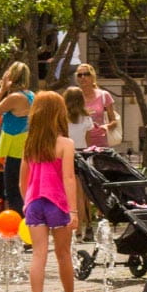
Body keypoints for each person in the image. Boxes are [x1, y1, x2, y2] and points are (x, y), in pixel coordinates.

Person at [20, 91, 87, 292]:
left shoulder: (30, 144)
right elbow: (68, 178)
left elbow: (23, 180)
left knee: (38, 254)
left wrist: (25, 203)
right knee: (63, 254)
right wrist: (74, 211)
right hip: (57, 204)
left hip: (34, 203)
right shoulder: (65, 144)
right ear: (59, 114)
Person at [0, 61, 34, 214]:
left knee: (14, 192)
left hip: (16, 150)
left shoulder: (15, 97)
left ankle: (21, 229)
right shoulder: (30, 95)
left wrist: (2, 89)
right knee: (23, 190)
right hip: (24, 147)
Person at [63, 86, 93, 237]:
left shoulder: (62, 117)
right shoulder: (87, 117)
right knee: (84, 194)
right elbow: (87, 140)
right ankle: (87, 225)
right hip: (83, 153)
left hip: (68, 153)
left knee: (72, 194)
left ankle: (77, 228)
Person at [73, 62, 118, 148]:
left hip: (100, 144)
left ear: (92, 76)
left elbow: (114, 121)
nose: (83, 77)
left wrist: (106, 127)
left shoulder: (104, 95)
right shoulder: (74, 96)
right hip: (80, 144)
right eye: (79, 75)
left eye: (86, 74)